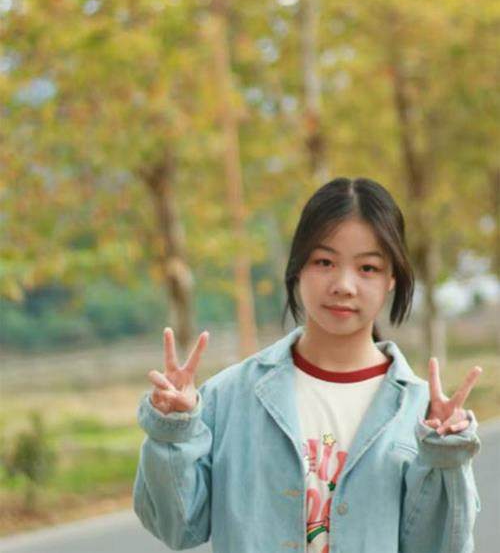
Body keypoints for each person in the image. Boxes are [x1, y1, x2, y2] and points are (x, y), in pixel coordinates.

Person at [133, 177, 482, 553]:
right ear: (298, 267)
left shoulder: (421, 414)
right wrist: (173, 431)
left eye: (367, 268)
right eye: (324, 262)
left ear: (392, 278)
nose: (343, 285)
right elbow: (179, 528)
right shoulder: (228, 397)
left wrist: (444, 457)